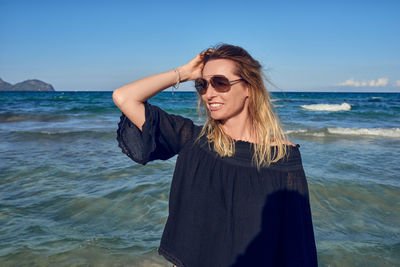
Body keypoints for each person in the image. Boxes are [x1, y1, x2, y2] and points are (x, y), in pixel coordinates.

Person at [113, 44, 318, 267]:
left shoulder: (282, 158)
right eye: (202, 84)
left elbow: (296, 245)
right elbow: (124, 97)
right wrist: (183, 73)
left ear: (250, 87)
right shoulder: (192, 139)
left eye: (220, 83)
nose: (209, 94)